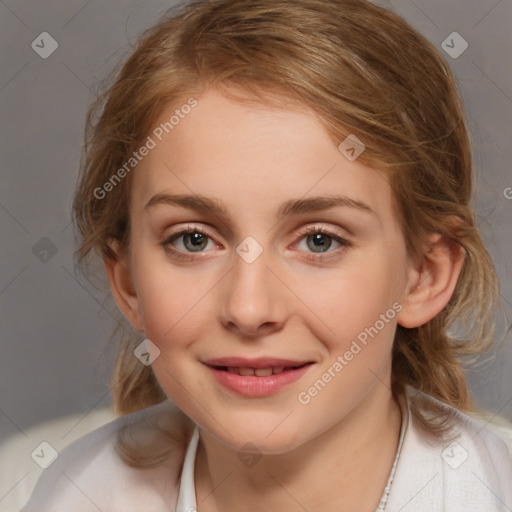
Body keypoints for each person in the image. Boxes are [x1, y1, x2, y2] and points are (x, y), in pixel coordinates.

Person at [21, 0, 512, 510]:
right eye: (193, 240)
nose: (250, 309)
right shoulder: (76, 493)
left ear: (423, 277)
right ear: (127, 282)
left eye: (320, 241)